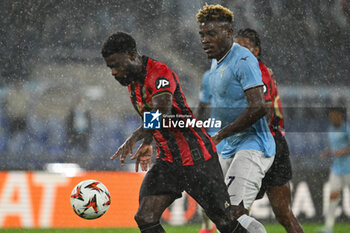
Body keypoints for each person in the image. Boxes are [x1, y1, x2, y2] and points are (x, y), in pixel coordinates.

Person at [101, 32, 262, 233]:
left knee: (225, 223)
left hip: (197, 158)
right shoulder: (133, 82)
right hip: (169, 161)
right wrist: (149, 141)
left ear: (132, 56)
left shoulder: (159, 72)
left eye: (116, 65)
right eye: (110, 67)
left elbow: (162, 110)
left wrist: (136, 136)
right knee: (145, 216)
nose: (114, 72)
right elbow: (152, 115)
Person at [196, 4, 275, 233]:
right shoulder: (215, 62)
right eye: (202, 34)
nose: (205, 40)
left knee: (234, 214)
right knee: (222, 216)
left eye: (211, 34)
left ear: (228, 33)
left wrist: (220, 134)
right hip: (228, 147)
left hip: (253, 146)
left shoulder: (243, 60)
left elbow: (258, 107)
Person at [235, 28, 305, 233]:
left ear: (256, 50)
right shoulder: (250, 72)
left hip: (262, 145)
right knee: (282, 214)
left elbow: (261, 112)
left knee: (237, 211)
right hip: (271, 142)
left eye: (244, 48)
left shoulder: (257, 72)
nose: (239, 53)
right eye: (236, 49)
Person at [316, 106, 350, 233]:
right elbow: (335, 148)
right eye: (331, 116)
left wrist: (343, 151)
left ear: (341, 116)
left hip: (349, 168)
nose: (333, 118)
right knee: (333, 196)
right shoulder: (331, 130)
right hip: (337, 169)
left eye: (336, 115)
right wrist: (328, 152)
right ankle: (328, 227)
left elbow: (344, 148)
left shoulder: (347, 129)